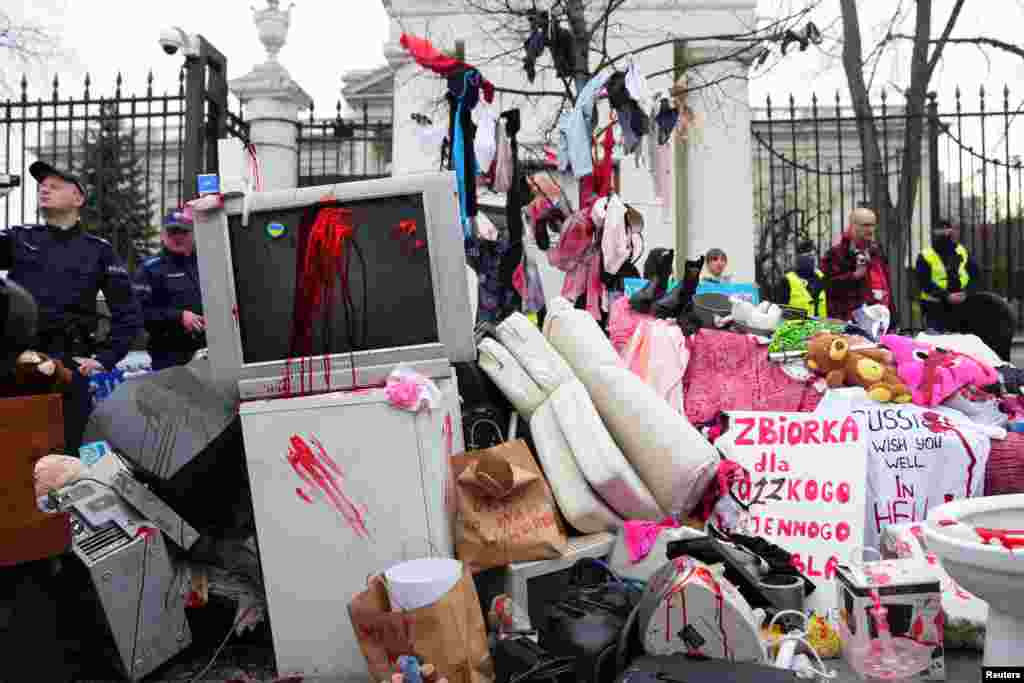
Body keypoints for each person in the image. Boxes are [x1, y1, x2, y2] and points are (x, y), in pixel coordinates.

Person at [0, 160, 141, 452]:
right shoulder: (19, 238)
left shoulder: (98, 250)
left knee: (69, 453)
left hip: (69, 364)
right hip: (17, 362)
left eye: (54, 186)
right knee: (14, 451)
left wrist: (105, 358)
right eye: (42, 186)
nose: (44, 190)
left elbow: (128, 311)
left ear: (77, 198)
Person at [133, 207, 205, 370]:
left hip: (209, 353)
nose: (178, 237)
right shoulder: (149, 270)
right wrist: (179, 316)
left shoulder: (206, 261)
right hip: (170, 358)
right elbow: (139, 313)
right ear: (163, 235)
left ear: (192, 234)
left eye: (183, 231)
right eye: (172, 231)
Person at [821, 207, 893, 321]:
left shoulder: (876, 251)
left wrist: (892, 318)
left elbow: (885, 286)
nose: (871, 229)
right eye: (866, 225)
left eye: (873, 225)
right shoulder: (836, 254)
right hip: (849, 323)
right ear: (853, 226)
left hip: (879, 320)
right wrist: (855, 275)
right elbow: (827, 286)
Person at [916, 219, 980, 332]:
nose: (944, 233)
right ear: (934, 232)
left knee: (960, 343)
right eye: (941, 230)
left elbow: (975, 274)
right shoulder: (925, 255)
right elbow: (924, 283)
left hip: (961, 306)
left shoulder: (961, 251)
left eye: (947, 230)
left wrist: (966, 293)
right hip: (934, 308)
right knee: (937, 344)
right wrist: (947, 296)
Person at [778, 240, 827, 318]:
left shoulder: (821, 277)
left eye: (813, 255)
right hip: (797, 329)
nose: (811, 258)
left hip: (822, 328)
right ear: (798, 257)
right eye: (807, 255)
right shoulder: (787, 280)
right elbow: (780, 312)